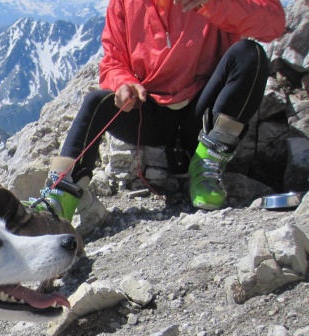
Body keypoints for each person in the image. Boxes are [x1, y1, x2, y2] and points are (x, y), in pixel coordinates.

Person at [37, 0, 286, 236]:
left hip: (203, 110)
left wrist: (213, 4)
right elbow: (113, 61)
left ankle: (207, 167)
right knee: (96, 102)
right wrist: (124, 83)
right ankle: (58, 199)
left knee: (250, 54)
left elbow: (273, 23)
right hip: (151, 112)